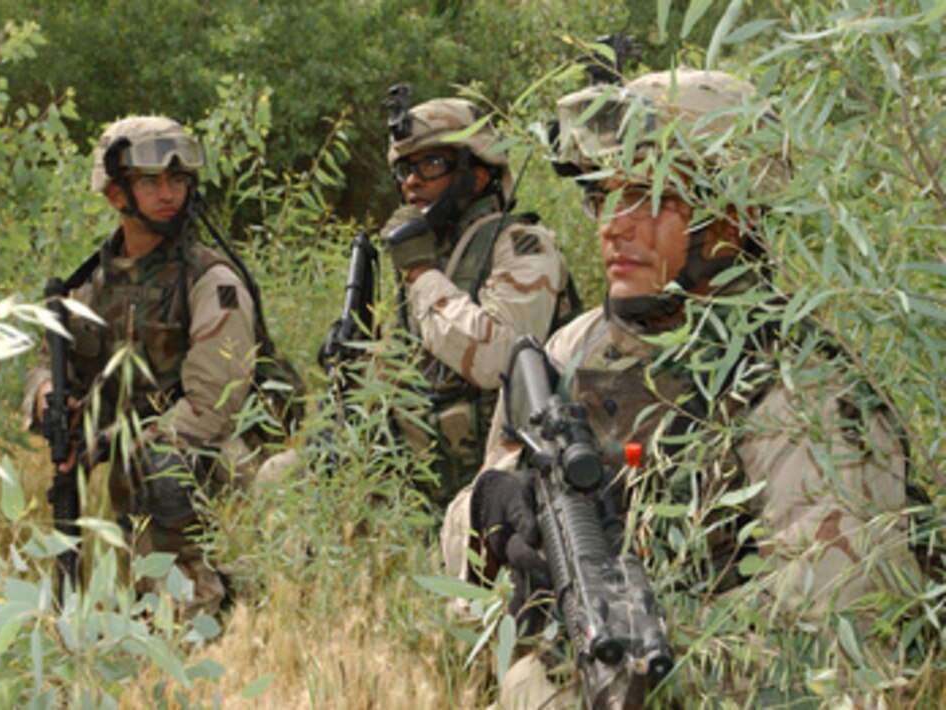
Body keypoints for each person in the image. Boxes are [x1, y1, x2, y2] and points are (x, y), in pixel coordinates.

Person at [441, 69, 918, 707]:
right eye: (604, 195)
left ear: (738, 211)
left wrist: (653, 648)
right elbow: (462, 581)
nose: (614, 225)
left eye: (652, 195)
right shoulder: (566, 352)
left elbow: (844, 646)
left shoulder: (799, 389)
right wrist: (486, 514)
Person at [24, 116, 265, 618]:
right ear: (115, 194)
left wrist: (109, 441)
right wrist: (51, 397)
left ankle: (195, 612)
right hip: (141, 450)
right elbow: (48, 364)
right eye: (151, 181)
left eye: (177, 180)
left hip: (224, 454)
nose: (168, 193)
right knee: (143, 464)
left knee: (157, 465)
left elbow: (212, 409)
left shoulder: (209, 280)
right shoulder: (89, 286)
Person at [378, 89, 580, 510]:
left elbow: (498, 359)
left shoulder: (522, 245)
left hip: (511, 491)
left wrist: (420, 275)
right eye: (404, 169)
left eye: (432, 164)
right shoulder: (437, 253)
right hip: (427, 487)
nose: (412, 181)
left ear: (478, 173)